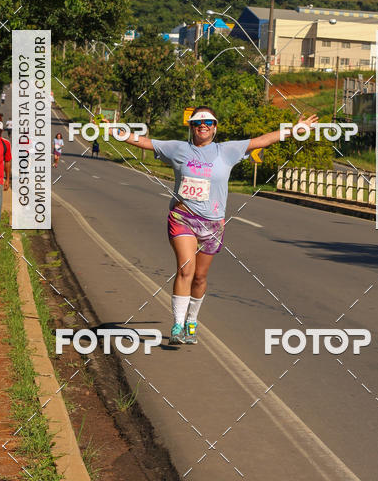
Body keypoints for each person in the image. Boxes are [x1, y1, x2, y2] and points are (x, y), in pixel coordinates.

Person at [124, 106, 318, 345]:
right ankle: (177, 323)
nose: (202, 125)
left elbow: (263, 140)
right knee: (186, 269)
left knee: (200, 277)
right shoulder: (179, 149)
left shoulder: (226, 150)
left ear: (214, 127)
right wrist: (115, 131)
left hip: (212, 224)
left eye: (208, 122)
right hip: (182, 218)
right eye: (197, 122)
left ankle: (191, 323)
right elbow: (145, 142)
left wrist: (295, 130)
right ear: (191, 127)